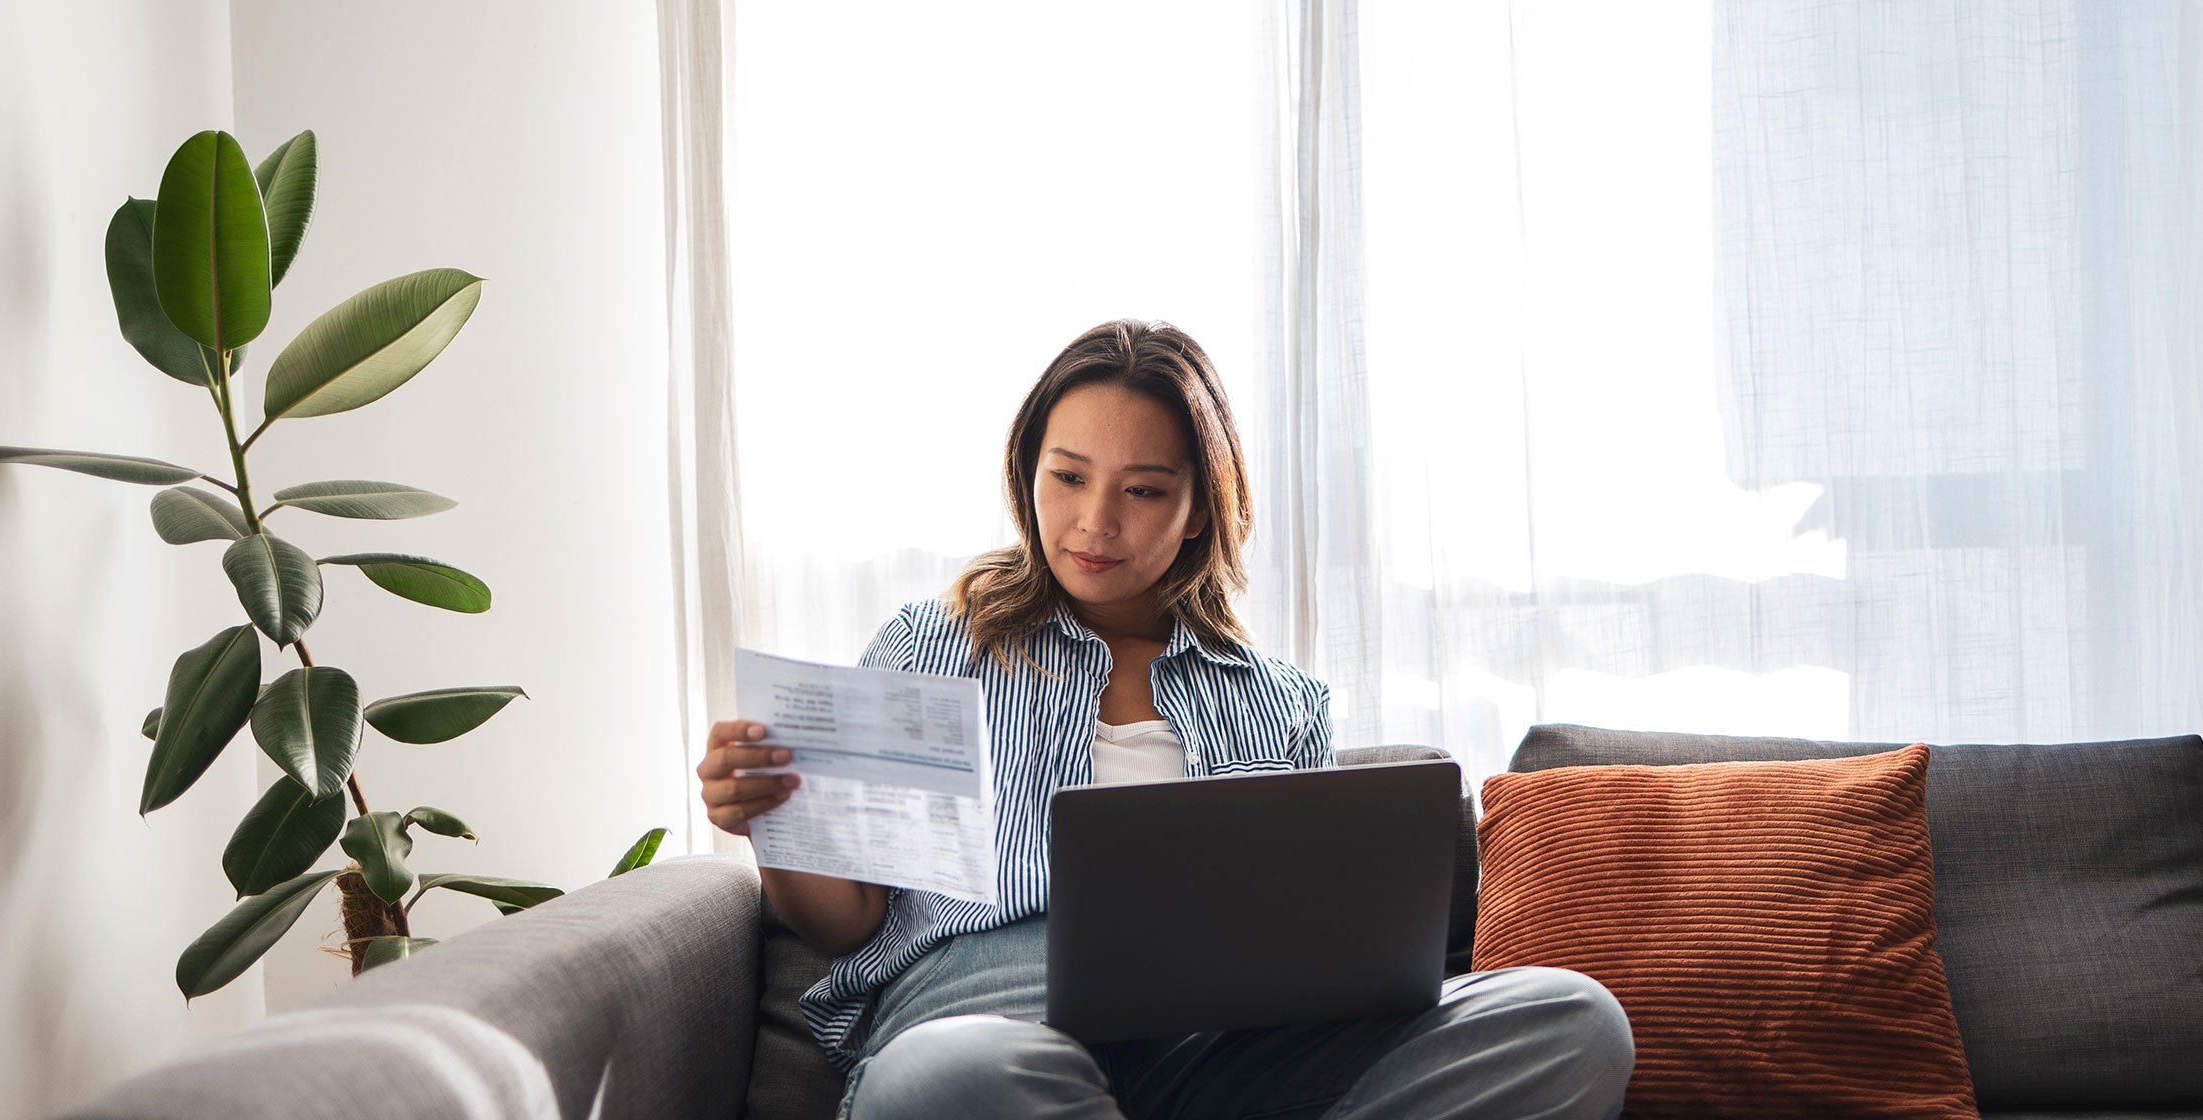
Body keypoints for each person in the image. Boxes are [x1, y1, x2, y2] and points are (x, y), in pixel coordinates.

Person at [697, 319, 1633, 1119]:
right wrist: (775, 821)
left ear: (1196, 510)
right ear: (1030, 472)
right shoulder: (935, 646)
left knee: (1572, 1021)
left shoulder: (1281, 702)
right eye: (1067, 477)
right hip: (989, 1030)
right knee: (958, 1079)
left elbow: (1319, 944)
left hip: (1226, 1054)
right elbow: (845, 923)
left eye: (1143, 490)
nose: (1094, 521)